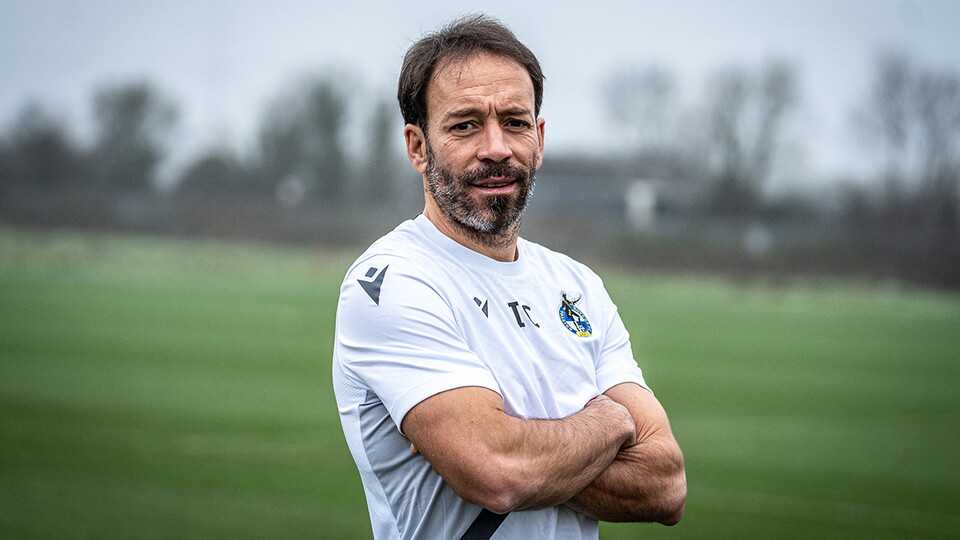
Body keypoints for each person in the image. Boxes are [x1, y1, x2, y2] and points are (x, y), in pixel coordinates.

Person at [332, 14, 686, 540]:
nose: (496, 148)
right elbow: (497, 473)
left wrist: (515, 444)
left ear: (539, 139)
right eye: (465, 125)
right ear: (418, 147)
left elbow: (665, 485)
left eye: (515, 122)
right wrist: (610, 423)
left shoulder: (578, 286)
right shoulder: (391, 283)